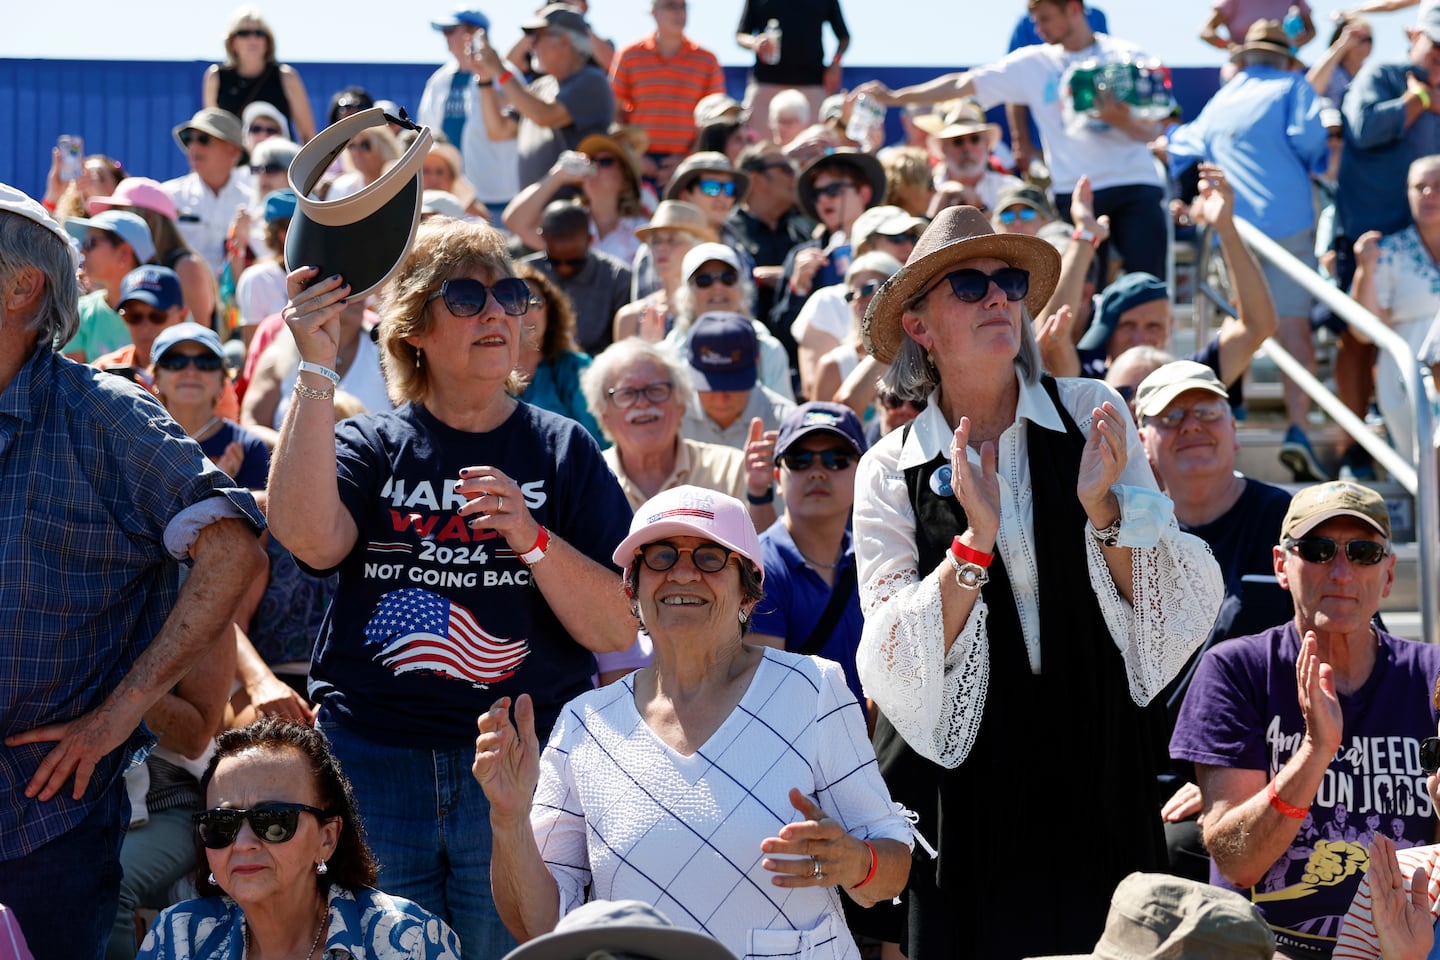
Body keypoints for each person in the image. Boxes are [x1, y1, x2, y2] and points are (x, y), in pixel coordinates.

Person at [853, 204, 1223, 958]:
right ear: (920, 328)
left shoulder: (1094, 410)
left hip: (1100, 767)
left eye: (1011, 281)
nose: (999, 297)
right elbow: (895, 659)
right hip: (967, 792)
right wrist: (973, 548)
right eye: (970, 284)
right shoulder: (888, 466)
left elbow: (1162, 617)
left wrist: (1103, 508)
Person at [266, 216, 636, 956]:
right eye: (466, 297)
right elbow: (308, 536)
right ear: (414, 332)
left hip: (515, 765)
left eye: (510, 294)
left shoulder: (565, 451)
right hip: (373, 759)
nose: (497, 311)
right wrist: (315, 367)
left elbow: (617, 629)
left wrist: (531, 538)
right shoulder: (369, 444)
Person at [473, 484, 912, 959]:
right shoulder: (586, 724)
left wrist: (853, 861)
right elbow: (540, 927)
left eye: (709, 557)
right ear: (632, 591)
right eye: (660, 557)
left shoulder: (814, 689)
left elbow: (893, 863)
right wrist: (509, 818)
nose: (682, 572)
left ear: (748, 592)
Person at [0, 183, 265, 960]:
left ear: (24, 286)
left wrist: (122, 712)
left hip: (46, 819)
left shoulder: (103, 412)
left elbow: (231, 548)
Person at [1170, 480, 1440, 959]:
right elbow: (1238, 863)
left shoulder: (1431, 677)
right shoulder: (1236, 670)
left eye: (1362, 552)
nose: (1340, 571)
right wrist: (1317, 751)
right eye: (1317, 550)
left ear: (1390, 574)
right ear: (1281, 565)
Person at [858, 0, 1170, 281]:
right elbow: (962, 83)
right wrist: (895, 98)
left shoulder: (1128, 55)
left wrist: (1116, 117)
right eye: (1036, 20)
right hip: (1073, 194)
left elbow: (1154, 131)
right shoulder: (1032, 63)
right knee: (1080, 294)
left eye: (1046, 18)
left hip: (1135, 185)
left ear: (1073, 9)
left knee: (1146, 286)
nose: (1038, 28)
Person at [1131, 361, 1297, 881]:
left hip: (1253, 770)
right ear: (1141, 441)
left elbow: (1353, 653)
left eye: (1207, 411)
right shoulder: (1118, 532)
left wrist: (1227, 783)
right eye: (1171, 416)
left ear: (1234, 431)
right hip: (1135, 773)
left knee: (1172, 854)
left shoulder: (1289, 523)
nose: (1192, 425)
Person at [135, 719, 461, 959]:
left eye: (275, 820)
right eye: (222, 824)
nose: (243, 842)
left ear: (327, 838)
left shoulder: (409, 942)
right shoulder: (177, 938)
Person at [1167, 22, 1331, 480]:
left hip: (1232, 232)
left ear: (1243, 57)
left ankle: (1226, 432)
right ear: (1287, 58)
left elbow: (1181, 143)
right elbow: (1312, 142)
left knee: (1235, 333)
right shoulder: (1294, 86)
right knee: (1293, 329)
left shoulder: (1221, 100)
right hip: (1288, 227)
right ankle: (1297, 428)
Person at [582, 337, 776, 531]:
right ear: (603, 413)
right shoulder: (585, 481)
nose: (643, 403)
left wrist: (759, 494)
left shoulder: (731, 469)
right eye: (626, 394)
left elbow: (764, 554)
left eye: (656, 390)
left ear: (681, 403)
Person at [749, 403, 868, 707]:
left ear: (864, 474)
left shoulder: (876, 559)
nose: (817, 472)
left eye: (837, 460)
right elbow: (770, 699)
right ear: (777, 477)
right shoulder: (758, 568)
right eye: (799, 460)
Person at [1349, 153, 1440, 464]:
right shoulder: (1387, 253)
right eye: (1420, 187)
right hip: (1410, 381)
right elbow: (1362, 332)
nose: (1429, 194)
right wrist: (1364, 269)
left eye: (1438, 186)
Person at [470, 4, 616, 190]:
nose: (531, 45)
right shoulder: (541, 86)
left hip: (571, 209)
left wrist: (500, 70)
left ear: (563, 40)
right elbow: (499, 130)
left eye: (537, 36)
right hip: (535, 209)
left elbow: (545, 115)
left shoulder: (591, 80)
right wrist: (485, 80)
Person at [771, 149, 887, 363]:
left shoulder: (891, 245)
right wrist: (799, 288)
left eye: (833, 190)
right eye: (817, 194)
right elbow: (782, 336)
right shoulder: (801, 256)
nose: (823, 199)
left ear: (864, 194)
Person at [611, 0, 726, 191]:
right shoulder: (629, 55)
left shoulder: (707, 60)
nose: (679, 12)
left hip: (687, 165)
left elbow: (714, 120)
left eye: (683, 6)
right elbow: (613, 110)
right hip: (640, 165)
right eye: (671, 5)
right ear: (654, 12)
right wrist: (632, 155)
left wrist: (689, 160)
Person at [418, 8, 521, 222]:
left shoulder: (505, 72)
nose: (445, 37)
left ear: (474, 32)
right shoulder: (439, 80)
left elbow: (518, 121)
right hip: (450, 200)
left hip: (498, 198)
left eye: (450, 30)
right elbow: (425, 132)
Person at [665, 242, 793, 402]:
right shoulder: (667, 355)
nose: (718, 287)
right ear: (686, 294)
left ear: (742, 288)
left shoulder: (768, 349)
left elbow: (782, 418)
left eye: (728, 278)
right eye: (704, 280)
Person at [86, 177, 219, 329]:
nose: (114, 219)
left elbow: (198, 336)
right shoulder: (128, 264)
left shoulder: (187, 267)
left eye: (120, 211)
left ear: (148, 216)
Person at [154, 323, 272, 490]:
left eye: (205, 362)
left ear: (222, 380)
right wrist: (217, 482)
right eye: (176, 362)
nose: (191, 371)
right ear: (156, 377)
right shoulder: (139, 444)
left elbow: (259, 511)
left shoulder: (248, 448)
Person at [504, 132, 650, 263]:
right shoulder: (567, 223)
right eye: (591, 161)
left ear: (625, 179)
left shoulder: (643, 231)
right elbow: (515, 221)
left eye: (605, 161)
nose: (594, 167)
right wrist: (557, 175)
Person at [518, 200, 633, 356]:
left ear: (590, 240)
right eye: (555, 261)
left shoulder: (618, 278)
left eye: (575, 261)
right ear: (542, 238)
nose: (565, 268)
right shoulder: (524, 275)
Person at [513, 261, 605, 442]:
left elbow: (597, 444)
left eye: (534, 303)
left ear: (549, 310)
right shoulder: (481, 374)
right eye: (514, 303)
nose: (525, 313)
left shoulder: (577, 369)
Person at [681, 312, 796, 449]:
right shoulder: (669, 418)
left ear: (758, 361)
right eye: (709, 387)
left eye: (733, 385)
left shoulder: (788, 424)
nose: (721, 399)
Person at [162, 108, 254, 281]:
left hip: (236, 303)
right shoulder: (168, 196)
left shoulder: (253, 201)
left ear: (233, 152)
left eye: (204, 139)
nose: (193, 146)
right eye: (189, 139)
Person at [735, 0, 850, 138]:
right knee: (759, 147)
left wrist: (835, 64)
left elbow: (844, 37)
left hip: (812, 84)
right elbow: (740, 35)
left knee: (816, 145)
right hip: (766, 83)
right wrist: (755, 43)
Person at [730, 142, 815, 324]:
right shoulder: (728, 231)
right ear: (756, 179)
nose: (795, 176)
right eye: (786, 169)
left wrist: (780, 276)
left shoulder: (800, 232)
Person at [202, 8, 316, 142]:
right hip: (235, 161)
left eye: (259, 33)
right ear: (232, 42)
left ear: (267, 42)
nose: (253, 39)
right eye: (244, 33)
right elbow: (213, 132)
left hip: (279, 160)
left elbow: (308, 135)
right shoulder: (215, 77)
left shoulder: (286, 76)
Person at [613, 200, 716, 342]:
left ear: (697, 248)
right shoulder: (630, 317)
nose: (661, 248)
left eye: (672, 240)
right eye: (656, 241)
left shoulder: (714, 309)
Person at [61, 208, 155, 362]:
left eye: (91, 243)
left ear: (124, 253)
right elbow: (76, 383)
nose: (82, 250)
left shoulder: (169, 308)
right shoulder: (79, 313)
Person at [914, 100, 1021, 213]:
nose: (967, 148)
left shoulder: (1012, 188)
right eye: (957, 141)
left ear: (987, 145)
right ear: (943, 148)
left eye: (974, 139)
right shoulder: (923, 192)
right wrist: (941, 199)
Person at [92, 265, 187, 386]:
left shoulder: (206, 371)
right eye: (134, 316)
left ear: (182, 317)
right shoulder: (102, 372)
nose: (145, 326)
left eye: (157, 316)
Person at [1202, 0, 1316, 51]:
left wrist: (1297, 42)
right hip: (1241, 66)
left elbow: (1311, 30)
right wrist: (1229, 46)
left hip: (1282, 64)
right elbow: (1205, 32)